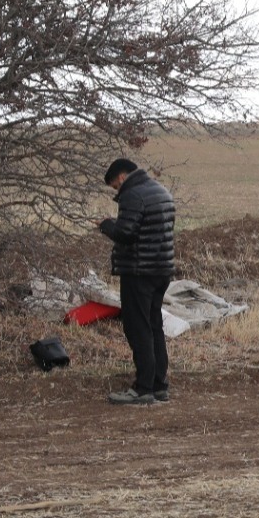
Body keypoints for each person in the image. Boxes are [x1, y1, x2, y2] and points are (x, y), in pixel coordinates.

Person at [98, 157, 176, 405]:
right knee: (154, 326)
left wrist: (105, 225)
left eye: (114, 187)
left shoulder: (133, 195)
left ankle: (143, 389)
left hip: (139, 272)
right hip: (161, 269)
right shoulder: (160, 190)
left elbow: (126, 233)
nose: (117, 191)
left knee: (137, 328)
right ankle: (158, 385)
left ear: (121, 178)